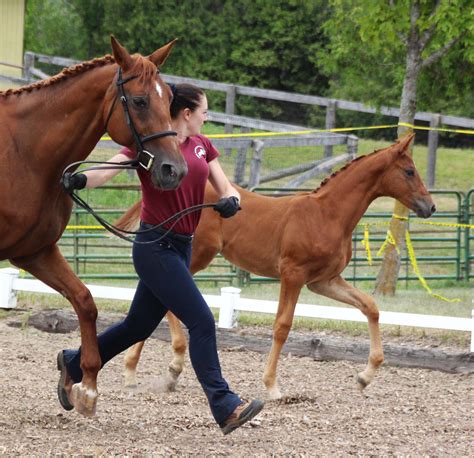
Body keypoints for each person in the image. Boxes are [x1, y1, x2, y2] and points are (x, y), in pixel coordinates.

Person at [57, 83, 264, 435]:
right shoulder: (147, 146)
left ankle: (74, 362)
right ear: (187, 113)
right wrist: (78, 179)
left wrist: (232, 201)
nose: (206, 116)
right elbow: (107, 170)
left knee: (137, 326)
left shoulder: (203, 146)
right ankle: (226, 405)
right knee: (201, 321)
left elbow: (226, 187)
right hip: (155, 247)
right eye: (204, 111)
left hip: (182, 246)